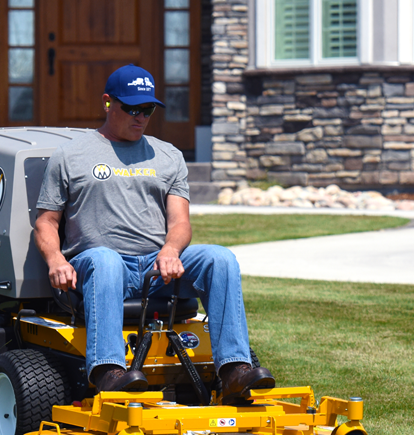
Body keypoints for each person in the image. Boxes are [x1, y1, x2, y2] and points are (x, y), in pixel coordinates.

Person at [33, 63, 275, 399]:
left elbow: (180, 223)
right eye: (132, 108)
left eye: (147, 110)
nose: (140, 117)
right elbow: (46, 221)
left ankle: (235, 369)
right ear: (107, 102)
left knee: (219, 258)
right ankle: (108, 371)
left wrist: (170, 250)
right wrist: (56, 260)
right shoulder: (70, 155)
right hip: (98, 264)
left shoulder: (168, 156)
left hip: (155, 266)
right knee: (105, 260)